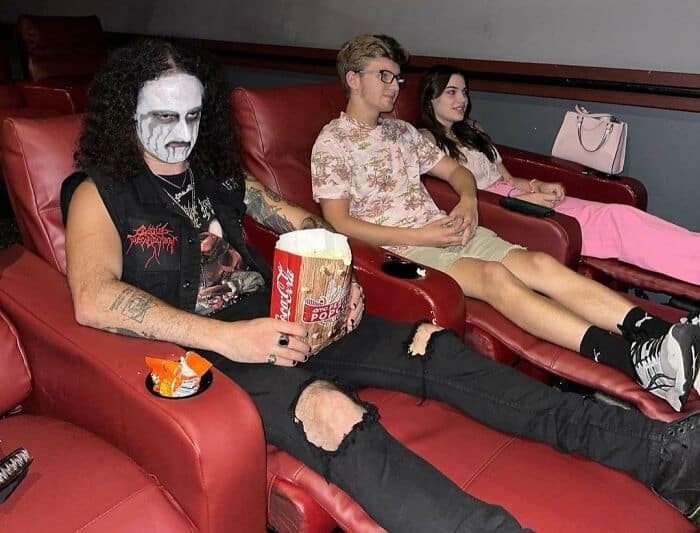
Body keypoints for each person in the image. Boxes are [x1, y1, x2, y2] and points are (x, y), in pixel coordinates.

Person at [62, 37, 700, 532]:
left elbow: (301, 220)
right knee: (331, 413)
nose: (181, 133)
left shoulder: (215, 173)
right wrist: (231, 339)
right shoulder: (100, 191)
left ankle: (660, 453)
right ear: (127, 112)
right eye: (163, 116)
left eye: (193, 114)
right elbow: (94, 298)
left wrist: (339, 279)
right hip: (209, 353)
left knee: (434, 344)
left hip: (288, 317)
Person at [311, 34, 700, 412]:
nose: (395, 85)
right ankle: (634, 360)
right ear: (353, 79)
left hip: (447, 230)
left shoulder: (403, 132)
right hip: (399, 254)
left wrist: (468, 202)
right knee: (496, 278)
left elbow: (458, 173)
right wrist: (421, 235)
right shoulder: (333, 142)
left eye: (397, 77)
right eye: (384, 75)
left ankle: (662, 334)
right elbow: (338, 221)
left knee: (540, 264)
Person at [418, 64, 700, 287]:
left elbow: (506, 178)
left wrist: (538, 185)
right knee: (615, 225)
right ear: (431, 98)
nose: (462, 99)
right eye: (451, 92)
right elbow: (448, 196)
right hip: (499, 210)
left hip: (519, 197)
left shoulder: (473, 130)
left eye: (464, 92)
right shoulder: (425, 140)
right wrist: (521, 202)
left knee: (619, 214)